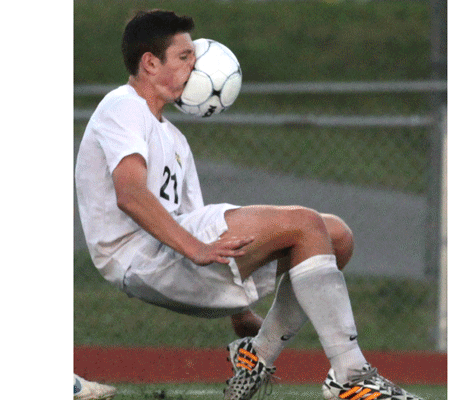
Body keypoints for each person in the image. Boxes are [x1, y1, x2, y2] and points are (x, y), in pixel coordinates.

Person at [75, 9, 424, 400]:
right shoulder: (122, 106)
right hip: (140, 259)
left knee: (336, 236)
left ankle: (257, 356)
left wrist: (238, 313)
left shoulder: (173, 138)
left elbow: (190, 219)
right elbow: (131, 194)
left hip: (172, 257)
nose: (196, 64)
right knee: (306, 223)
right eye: (185, 56)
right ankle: (351, 374)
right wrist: (196, 248)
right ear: (150, 63)